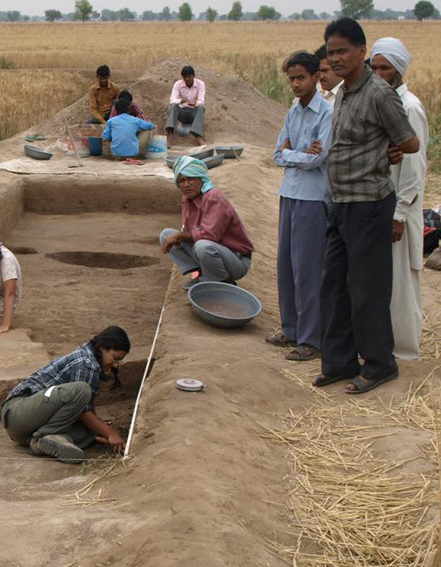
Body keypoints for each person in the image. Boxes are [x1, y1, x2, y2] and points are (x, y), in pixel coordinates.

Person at [316, 18, 420, 395]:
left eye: (343, 50)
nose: (337, 58)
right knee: (334, 286)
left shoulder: (379, 93)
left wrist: (389, 150)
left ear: (362, 52)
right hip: (342, 203)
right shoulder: (343, 92)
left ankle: (379, 364)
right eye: (331, 52)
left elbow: (409, 143)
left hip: (370, 205)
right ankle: (340, 361)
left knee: (367, 289)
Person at [269, 52, 333, 362]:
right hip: (290, 193)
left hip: (312, 197)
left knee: (308, 268)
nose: (295, 84)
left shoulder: (327, 114)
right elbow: (276, 153)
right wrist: (298, 154)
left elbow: (319, 159)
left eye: (301, 77)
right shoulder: (293, 112)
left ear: (315, 78)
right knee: (286, 265)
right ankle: (290, 328)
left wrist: (292, 154)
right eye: (291, 78)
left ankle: (311, 339)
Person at [371, 37, 428, 361]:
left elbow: (414, 168)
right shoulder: (385, 104)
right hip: (384, 202)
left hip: (400, 208)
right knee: (385, 280)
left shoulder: (409, 107)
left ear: (399, 70)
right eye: (374, 67)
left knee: (403, 281)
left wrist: (401, 213)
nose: (379, 74)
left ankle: (405, 350)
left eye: (385, 68)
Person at [2, 326, 131, 464]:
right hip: (17, 412)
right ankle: (43, 437)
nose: (116, 365)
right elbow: (83, 410)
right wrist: (110, 433)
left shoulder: (93, 362)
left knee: (90, 432)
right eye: (115, 358)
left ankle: (42, 443)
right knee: (82, 390)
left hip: (25, 432)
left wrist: (99, 428)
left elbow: (87, 406)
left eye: (119, 361)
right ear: (102, 348)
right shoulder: (86, 362)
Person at [159, 157, 255, 289]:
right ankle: (202, 273)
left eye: (191, 179)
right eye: (182, 181)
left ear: (201, 179)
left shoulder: (213, 197)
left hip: (235, 260)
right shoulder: (187, 199)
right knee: (166, 235)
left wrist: (180, 236)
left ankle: (223, 282)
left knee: (202, 246)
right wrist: (179, 236)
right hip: (211, 253)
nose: (186, 184)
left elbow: (209, 236)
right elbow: (190, 230)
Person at [166, 65, 206, 146]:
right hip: (182, 112)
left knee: (201, 107)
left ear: (193, 76)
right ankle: (169, 136)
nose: (187, 79)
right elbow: (172, 100)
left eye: (189, 76)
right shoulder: (178, 84)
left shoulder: (200, 84)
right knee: (173, 106)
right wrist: (181, 100)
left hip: (194, 113)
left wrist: (195, 103)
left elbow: (202, 101)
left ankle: (198, 136)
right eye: (185, 77)